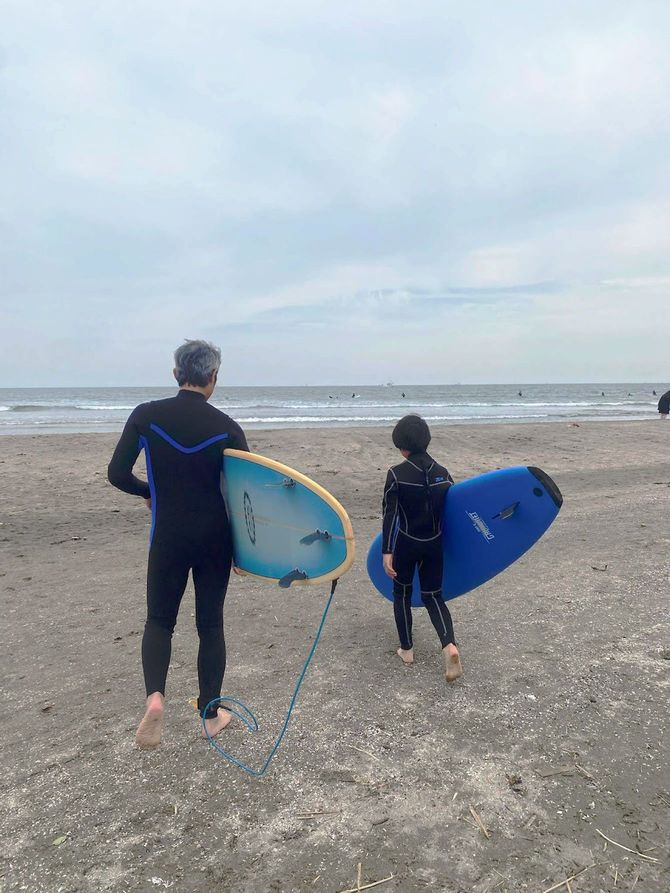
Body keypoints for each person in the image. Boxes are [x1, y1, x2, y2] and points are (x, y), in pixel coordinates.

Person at [107, 340, 249, 748]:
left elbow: (117, 473)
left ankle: (155, 699)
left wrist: (147, 490)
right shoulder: (227, 427)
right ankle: (210, 714)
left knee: (159, 621)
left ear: (176, 375)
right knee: (210, 624)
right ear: (213, 378)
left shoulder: (147, 416)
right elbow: (245, 495)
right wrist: (246, 550)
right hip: (215, 539)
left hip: (167, 535)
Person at [381, 415, 463, 682]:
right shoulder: (443, 473)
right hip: (434, 543)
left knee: (402, 593)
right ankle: (449, 645)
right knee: (433, 596)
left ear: (402, 446)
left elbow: (390, 517)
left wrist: (387, 551)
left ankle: (407, 650)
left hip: (407, 543)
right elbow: (454, 510)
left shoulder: (396, 474)